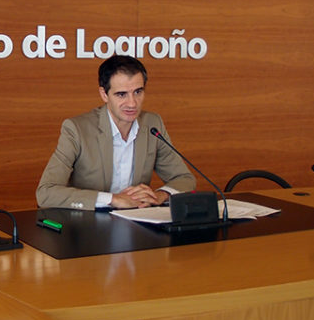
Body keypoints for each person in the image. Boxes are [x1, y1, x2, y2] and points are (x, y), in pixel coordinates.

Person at [36, 55, 196, 209]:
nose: (132, 103)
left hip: (138, 223)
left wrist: (159, 195)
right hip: (88, 226)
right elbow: (46, 192)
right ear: (104, 94)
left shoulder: (152, 124)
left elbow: (184, 179)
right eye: (122, 94)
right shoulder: (77, 129)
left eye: (138, 92)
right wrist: (112, 200)